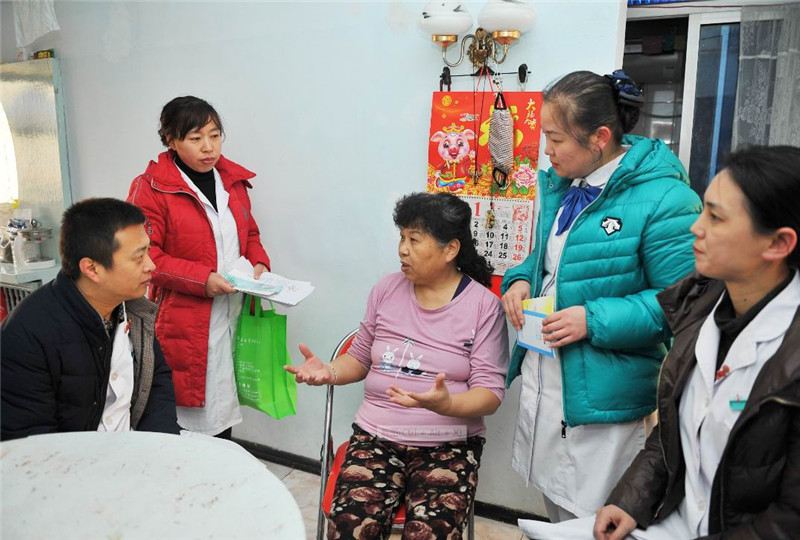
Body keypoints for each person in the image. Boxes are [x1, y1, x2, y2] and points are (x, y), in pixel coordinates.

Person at [519, 145, 800, 539]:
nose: (696, 228)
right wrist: (629, 500)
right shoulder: (698, 310)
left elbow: (790, 518)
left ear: (778, 243)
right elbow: (671, 435)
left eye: (716, 217)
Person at [500, 70, 702, 521]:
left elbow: (683, 302)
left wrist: (593, 319)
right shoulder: (565, 184)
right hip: (551, 378)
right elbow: (550, 259)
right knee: (556, 507)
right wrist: (520, 280)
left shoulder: (666, 198)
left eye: (556, 139)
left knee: (595, 518)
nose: (547, 150)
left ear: (600, 138)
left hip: (607, 395)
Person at [286, 192, 509, 539]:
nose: (403, 249)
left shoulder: (483, 307)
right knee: (350, 528)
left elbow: (490, 393)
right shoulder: (386, 289)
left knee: (429, 533)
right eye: (402, 238)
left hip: (447, 444)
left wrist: (447, 404)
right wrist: (328, 371)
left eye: (414, 240)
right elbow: (359, 358)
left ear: (450, 249)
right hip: (376, 437)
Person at [127, 96, 270, 438]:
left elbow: (249, 233)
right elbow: (145, 256)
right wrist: (202, 280)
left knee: (222, 410)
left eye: (215, 136)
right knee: (184, 422)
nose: (209, 147)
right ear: (171, 140)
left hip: (232, 310)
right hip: (183, 319)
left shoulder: (231, 180)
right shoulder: (151, 188)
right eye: (195, 138)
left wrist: (260, 263)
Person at [1, 198, 180, 440]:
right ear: (92, 269)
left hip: (135, 448)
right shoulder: (28, 334)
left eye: (148, 251)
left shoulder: (136, 312)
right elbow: (31, 439)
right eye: (138, 257)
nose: (151, 265)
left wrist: (162, 446)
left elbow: (156, 382)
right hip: (70, 460)